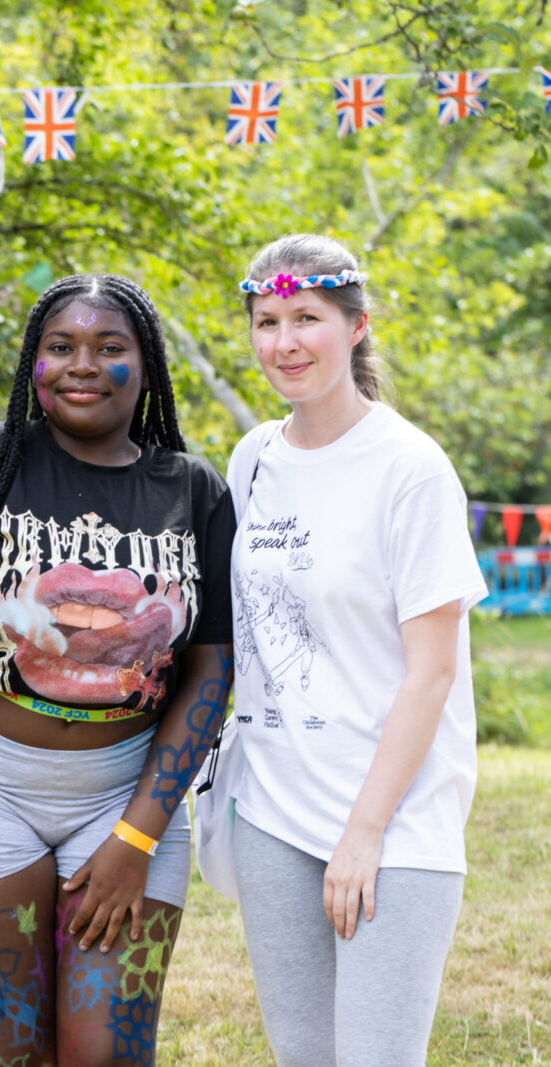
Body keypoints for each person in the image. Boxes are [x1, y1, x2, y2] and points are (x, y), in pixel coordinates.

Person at [0, 274, 236, 1064]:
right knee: (7, 1053)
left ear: (146, 365)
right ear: (32, 361)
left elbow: (211, 670)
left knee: (110, 1053)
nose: (82, 364)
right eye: (61, 346)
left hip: (125, 794)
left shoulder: (193, 489)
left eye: (109, 347)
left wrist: (137, 835)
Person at [225, 235, 485, 1066]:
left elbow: (433, 671)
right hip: (273, 811)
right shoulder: (252, 459)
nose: (285, 342)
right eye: (267, 322)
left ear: (357, 324)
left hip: (393, 819)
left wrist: (366, 831)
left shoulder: (410, 468)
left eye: (308, 318)